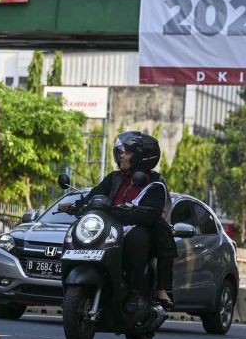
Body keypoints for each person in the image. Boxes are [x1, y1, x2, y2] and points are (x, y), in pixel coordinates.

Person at [59, 131, 178, 310]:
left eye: (128, 152)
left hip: (137, 228)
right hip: (109, 226)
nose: (122, 155)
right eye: (122, 151)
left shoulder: (155, 184)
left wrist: (120, 211)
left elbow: (148, 216)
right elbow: (94, 196)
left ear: (141, 157)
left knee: (139, 238)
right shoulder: (114, 178)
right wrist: (76, 206)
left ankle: (136, 293)